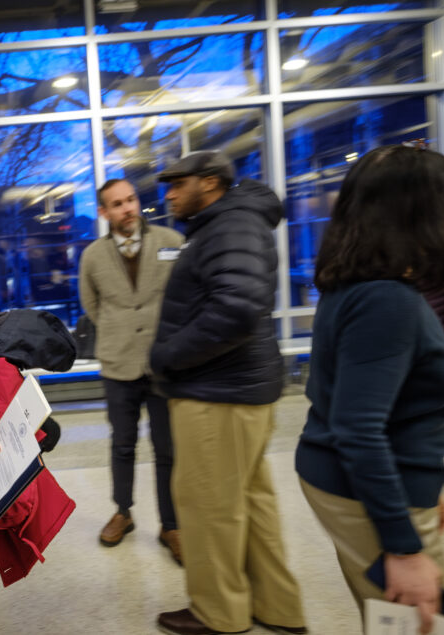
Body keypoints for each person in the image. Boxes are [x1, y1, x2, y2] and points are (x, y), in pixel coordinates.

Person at [149, 150, 307, 635]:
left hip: (217, 393)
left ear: (211, 182)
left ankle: (218, 612)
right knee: (251, 504)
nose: (170, 194)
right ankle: (275, 606)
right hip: (235, 390)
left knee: (210, 506)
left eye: (179, 184)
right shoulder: (229, 223)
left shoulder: (229, 226)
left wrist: (169, 355)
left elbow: (237, 309)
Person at [295, 145, 444, 635]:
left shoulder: (353, 283)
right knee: (416, 622)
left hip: (356, 478)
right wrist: (404, 548)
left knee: (390, 617)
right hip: (376, 488)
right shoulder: (388, 300)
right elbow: (358, 428)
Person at [77, 179, 183, 562]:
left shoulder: (171, 241)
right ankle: (123, 512)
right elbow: (91, 304)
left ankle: (171, 524)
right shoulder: (92, 256)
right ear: (104, 212)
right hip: (118, 363)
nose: (128, 208)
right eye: (118, 204)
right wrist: (118, 329)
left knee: (167, 448)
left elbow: (184, 294)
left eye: (131, 200)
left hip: (163, 363)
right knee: (122, 444)